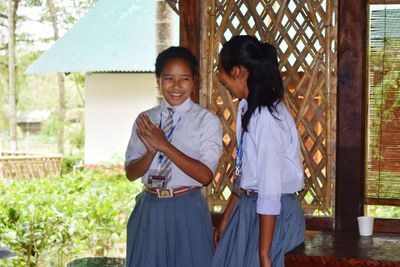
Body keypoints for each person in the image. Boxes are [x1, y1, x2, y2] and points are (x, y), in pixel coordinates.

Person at [124, 46, 222, 267]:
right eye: (169, 78)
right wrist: (151, 151)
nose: (176, 86)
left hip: (186, 207)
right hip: (149, 209)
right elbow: (130, 173)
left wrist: (164, 146)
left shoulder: (206, 121)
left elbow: (205, 175)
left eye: (184, 79)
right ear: (158, 80)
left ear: (194, 81)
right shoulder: (145, 119)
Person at [212, 35, 305, 267]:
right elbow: (246, 173)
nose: (218, 76)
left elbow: (270, 188)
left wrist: (264, 255)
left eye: (220, 70)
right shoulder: (247, 107)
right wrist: (226, 219)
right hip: (250, 210)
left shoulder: (266, 116)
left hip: (273, 217)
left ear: (236, 72)